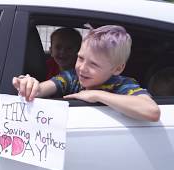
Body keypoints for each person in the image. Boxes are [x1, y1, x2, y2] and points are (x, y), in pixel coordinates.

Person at [13, 25, 160, 122]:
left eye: (94, 64)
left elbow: (152, 111)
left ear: (117, 69)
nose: (82, 68)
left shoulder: (122, 84)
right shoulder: (72, 78)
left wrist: (96, 95)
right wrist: (31, 85)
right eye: (81, 58)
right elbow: (42, 89)